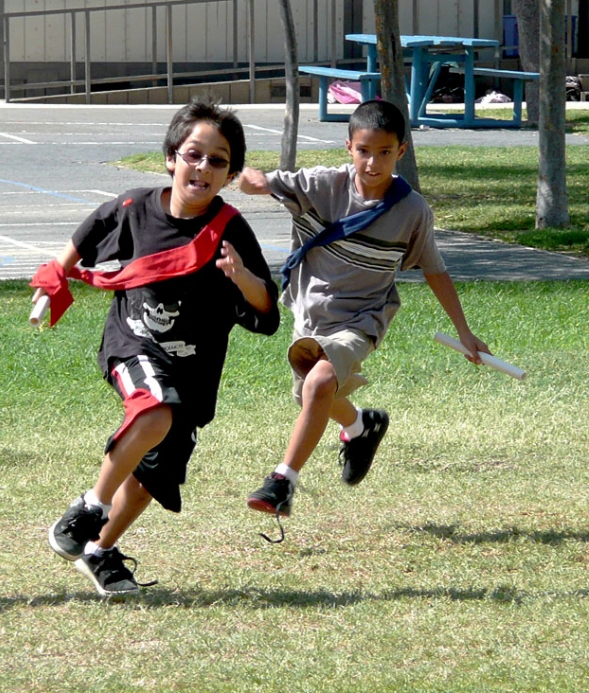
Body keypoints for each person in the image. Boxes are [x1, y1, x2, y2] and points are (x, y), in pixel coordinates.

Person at [31, 100, 280, 597]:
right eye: (194, 154)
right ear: (171, 157)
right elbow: (86, 236)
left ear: (229, 175)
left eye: (218, 161)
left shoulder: (230, 230)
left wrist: (243, 277)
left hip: (195, 369)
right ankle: (90, 507)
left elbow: (266, 312)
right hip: (133, 344)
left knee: (156, 472)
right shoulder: (132, 208)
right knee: (154, 413)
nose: (203, 167)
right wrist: (52, 280)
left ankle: (99, 549)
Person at [237, 99, 488, 532]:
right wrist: (248, 178)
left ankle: (282, 482)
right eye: (364, 151)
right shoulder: (319, 185)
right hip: (309, 314)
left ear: (402, 151)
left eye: (385, 153)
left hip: (363, 320)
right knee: (312, 398)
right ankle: (361, 426)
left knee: (317, 383)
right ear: (349, 146)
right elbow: (255, 181)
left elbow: (435, 270)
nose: (373, 163)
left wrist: (464, 331)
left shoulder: (412, 212)